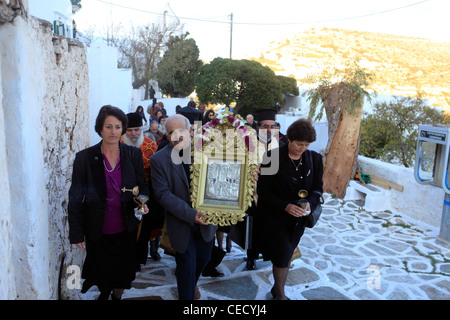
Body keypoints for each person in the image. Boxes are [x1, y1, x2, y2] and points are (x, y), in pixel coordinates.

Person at [68, 105, 149, 300]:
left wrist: (143, 202)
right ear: (100, 129)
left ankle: (117, 295)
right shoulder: (84, 158)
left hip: (126, 224)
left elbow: (143, 186)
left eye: (118, 127)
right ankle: (104, 293)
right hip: (98, 226)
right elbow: (75, 197)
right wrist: (76, 233)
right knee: (102, 269)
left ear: (123, 128)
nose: (114, 132)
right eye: (109, 127)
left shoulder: (133, 154)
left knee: (123, 270)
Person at [150, 114, 217, 300]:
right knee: (186, 264)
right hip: (181, 222)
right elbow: (163, 195)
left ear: (189, 131)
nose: (177, 136)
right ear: (166, 134)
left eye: (181, 131)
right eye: (171, 132)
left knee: (202, 260)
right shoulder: (158, 160)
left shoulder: (209, 151)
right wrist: (192, 214)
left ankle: (191, 284)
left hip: (208, 221)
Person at [257, 118, 323, 300]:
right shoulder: (271, 158)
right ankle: (280, 294)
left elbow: (318, 188)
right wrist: (285, 206)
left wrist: (310, 202)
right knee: (283, 256)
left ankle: (276, 290)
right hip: (276, 217)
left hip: (299, 220)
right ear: (289, 139)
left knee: (286, 254)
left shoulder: (315, 159)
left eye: (307, 145)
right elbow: (263, 191)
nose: (303, 148)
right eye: (299, 144)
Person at [121, 113, 161, 268]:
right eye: (129, 130)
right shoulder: (116, 144)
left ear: (141, 129)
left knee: (142, 228)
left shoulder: (151, 145)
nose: (133, 134)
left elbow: (155, 171)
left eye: (137, 130)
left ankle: (138, 259)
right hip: (122, 193)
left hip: (144, 191)